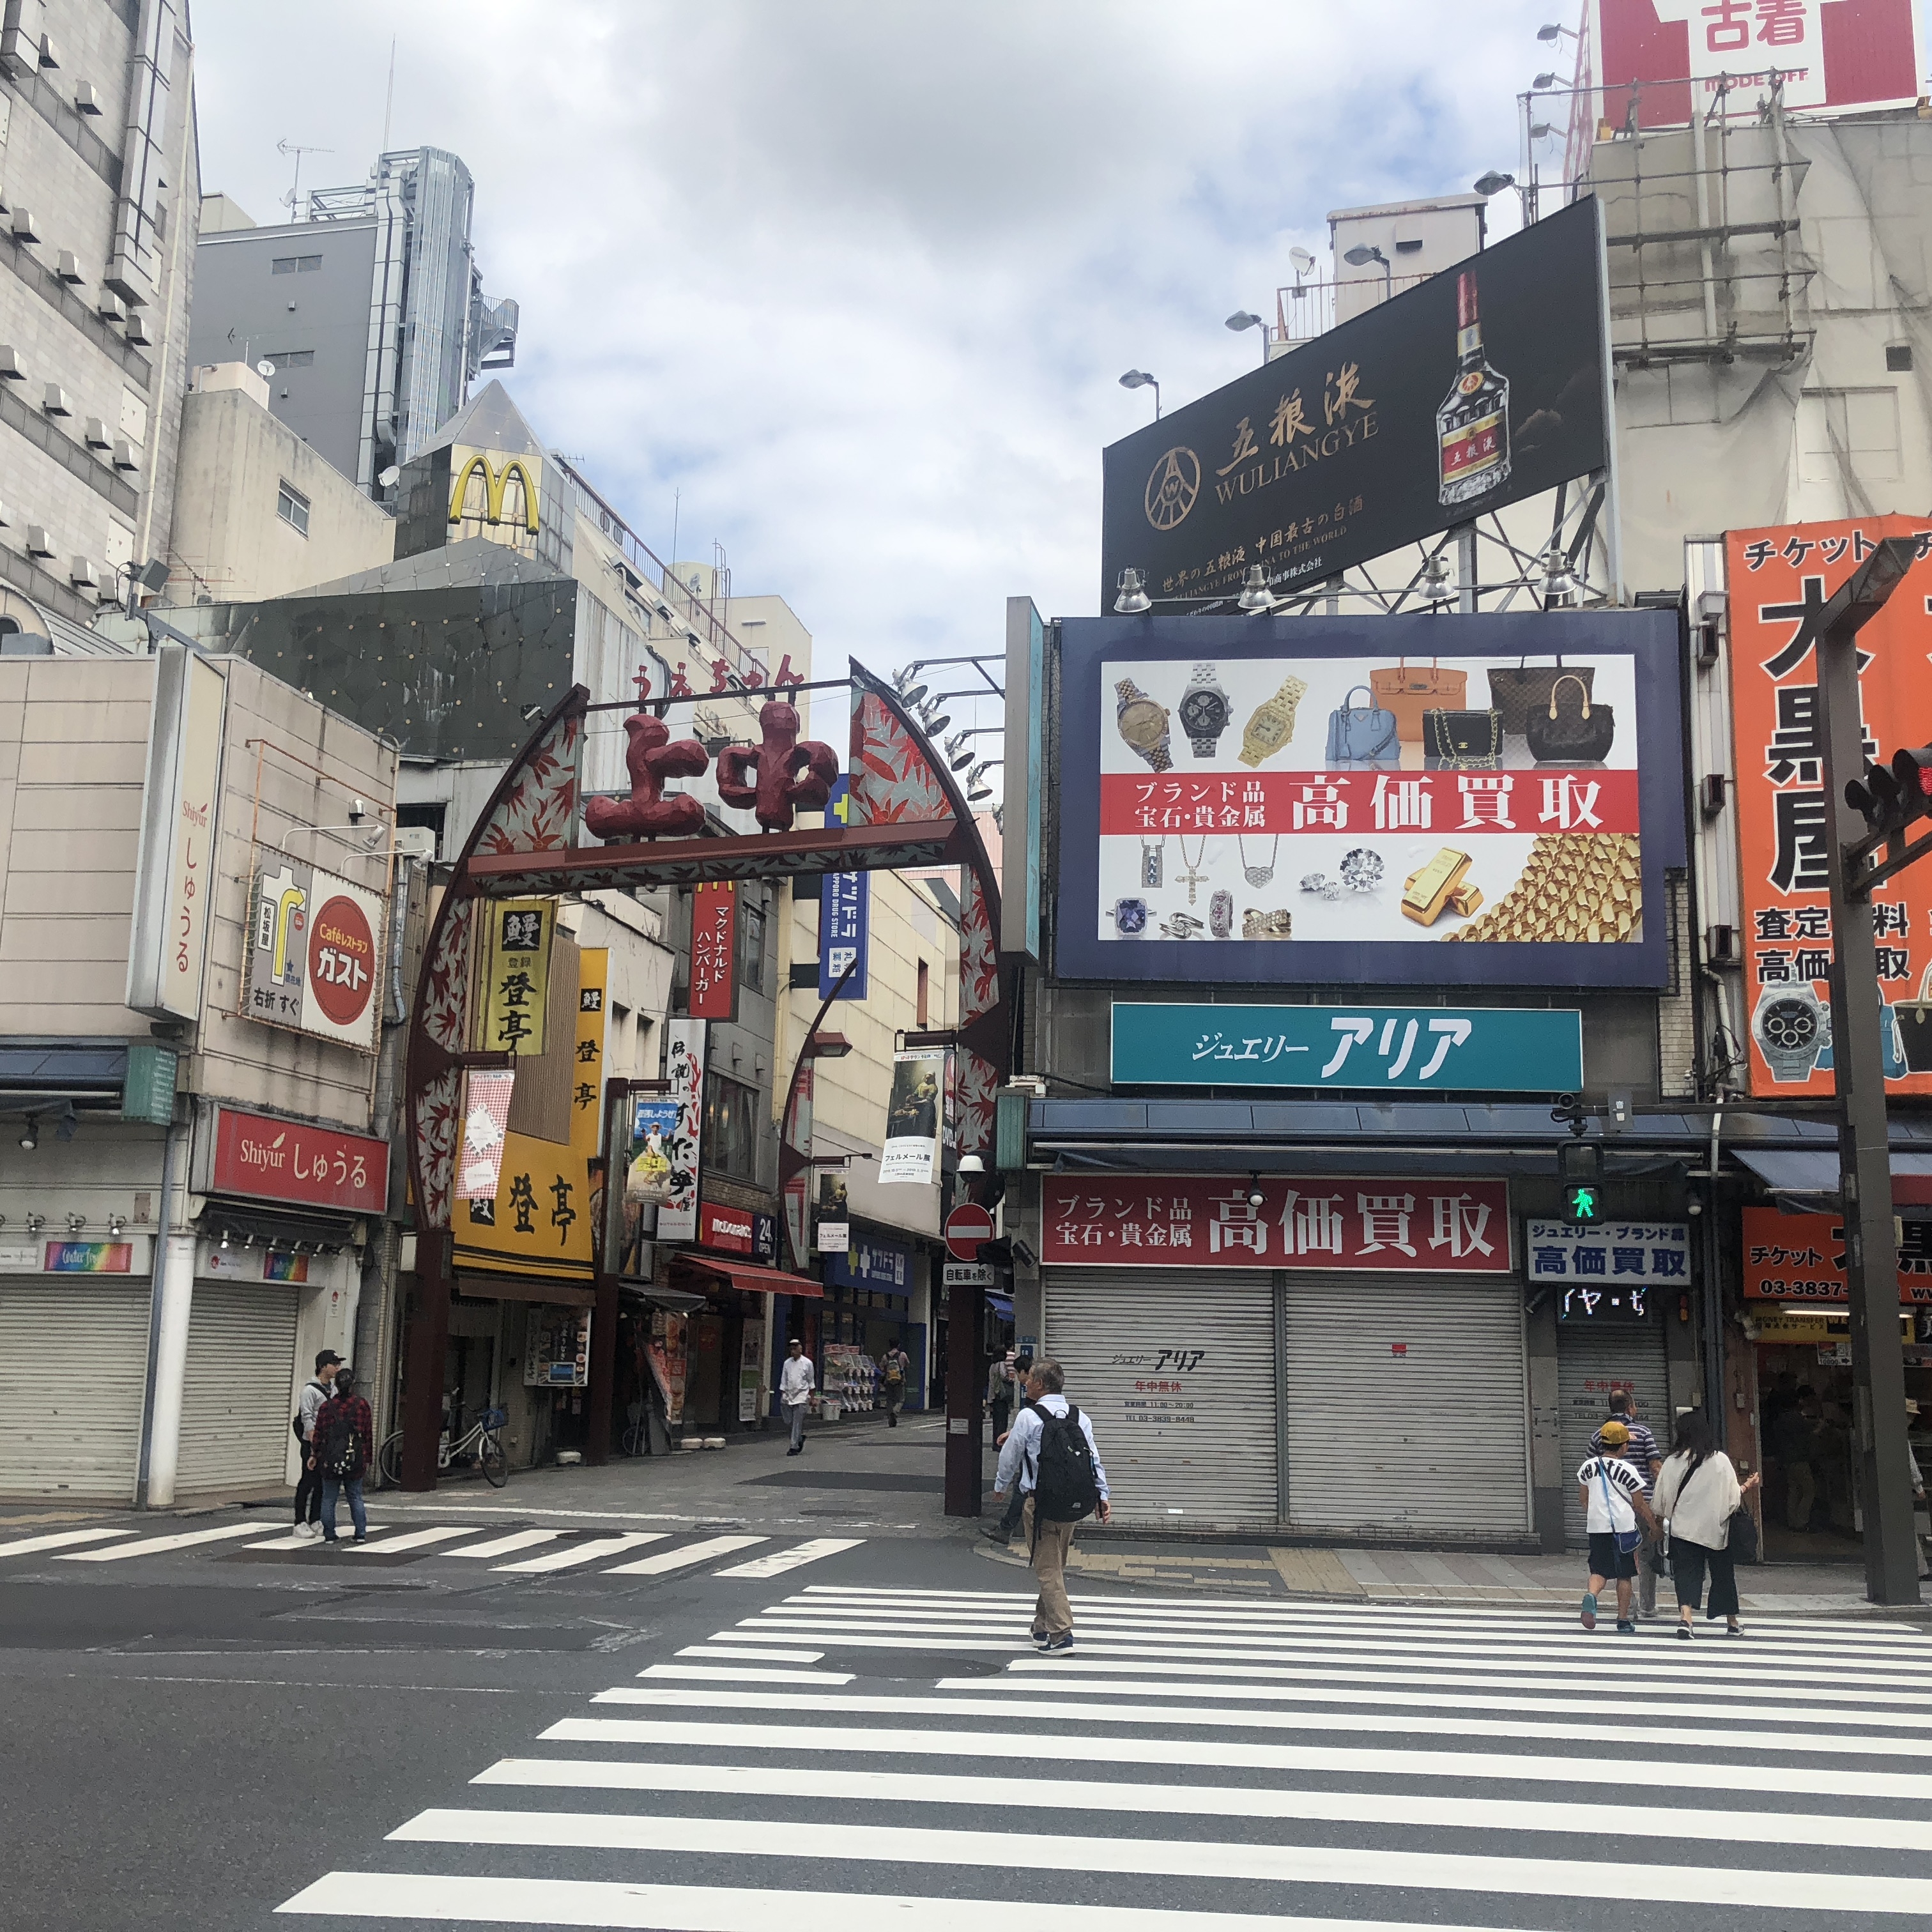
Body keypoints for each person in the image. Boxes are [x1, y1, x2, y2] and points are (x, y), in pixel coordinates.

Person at [992, 1358, 1110, 1652]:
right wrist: (1102, 1495)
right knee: (1054, 1566)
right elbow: (1092, 1459)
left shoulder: (1029, 1417)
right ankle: (1041, 1627)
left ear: (1040, 1384)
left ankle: (1061, 1633)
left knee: (1048, 1570)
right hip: (1072, 1502)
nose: (1026, 1381)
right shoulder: (1079, 1416)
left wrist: (1000, 1485)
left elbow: (1011, 1455)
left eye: (1030, 1377)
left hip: (1039, 1502)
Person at [1652, 1409, 1761, 1639]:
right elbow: (1732, 1500)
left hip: (1683, 1529)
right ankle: (1732, 1622)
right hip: (1715, 1530)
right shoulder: (1720, 1461)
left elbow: (1661, 1501)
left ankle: (1686, 1619)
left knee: (1686, 1574)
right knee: (1723, 1576)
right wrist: (1747, 1486)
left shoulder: (1672, 1462)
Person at [1577, 1419, 1657, 1633]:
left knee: (1599, 1569)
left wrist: (1595, 1515)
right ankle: (1622, 1620)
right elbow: (1639, 1504)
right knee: (1624, 1574)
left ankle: (1591, 1596)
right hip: (1624, 1528)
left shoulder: (1587, 1467)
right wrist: (1653, 1525)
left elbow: (1583, 1499)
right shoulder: (1628, 1469)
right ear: (1623, 1446)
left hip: (1597, 1528)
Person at [1590, 1389, 1662, 1618]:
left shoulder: (1598, 1436)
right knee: (1646, 1553)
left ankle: (1628, 1606)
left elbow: (1591, 1471)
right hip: (1642, 1503)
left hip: (1610, 1508)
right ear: (1631, 1407)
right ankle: (1648, 1606)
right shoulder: (1643, 1433)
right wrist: (1660, 1502)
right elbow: (1656, 1468)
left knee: (1620, 1555)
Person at [309, 1368, 373, 1547]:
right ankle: (360, 1533)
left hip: (331, 1460)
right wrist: (367, 1458)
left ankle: (330, 1535)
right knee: (355, 1496)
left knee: (329, 1498)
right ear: (353, 1384)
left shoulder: (326, 1407)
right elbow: (367, 1433)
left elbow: (319, 1435)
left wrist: (315, 1455)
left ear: (336, 1385)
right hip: (354, 1459)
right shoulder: (361, 1405)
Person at [291, 1350, 342, 1538]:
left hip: (327, 1443)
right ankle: (299, 1521)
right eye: (334, 1364)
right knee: (308, 1481)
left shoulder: (334, 1390)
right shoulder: (309, 1390)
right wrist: (314, 1446)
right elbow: (307, 1418)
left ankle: (315, 1519)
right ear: (323, 1366)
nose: (338, 1368)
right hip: (311, 1443)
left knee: (322, 1482)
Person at [1768, 1385, 1820, 1532]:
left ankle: (1793, 1522)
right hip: (1799, 1459)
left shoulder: (1779, 1419)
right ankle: (1802, 1522)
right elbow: (1807, 1436)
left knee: (1794, 1491)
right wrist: (1819, 1429)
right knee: (1809, 1490)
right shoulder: (1796, 1418)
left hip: (1786, 1459)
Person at [779, 1337, 816, 1455]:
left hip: (802, 1395)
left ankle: (794, 1446)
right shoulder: (787, 1363)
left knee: (797, 1421)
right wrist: (783, 1392)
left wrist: (812, 1397)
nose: (793, 1350)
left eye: (796, 1348)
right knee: (788, 1420)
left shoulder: (808, 1363)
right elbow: (784, 1379)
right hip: (788, 1394)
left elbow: (811, 1381)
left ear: (801, 1349)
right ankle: (799, 1437)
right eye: (792, 1348)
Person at [987, 1347, 1016, 1443]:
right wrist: (1012, 1380)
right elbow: (1004, 1376)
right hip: (1002, 1395)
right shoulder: (1002, 1364)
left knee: (996, 1420)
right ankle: (1001, 1441)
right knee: (1003, 1420)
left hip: (994, 1395)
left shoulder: (992, 1366)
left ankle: (995, 1441)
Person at [880, 1342, 910, 1427]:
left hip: (889, 1380)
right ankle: (895, 1412)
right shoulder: (902, 1354)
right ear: (898, 1345)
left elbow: (882, 1368)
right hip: (900, 1380)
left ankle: (890, 1415)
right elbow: (908, 1364)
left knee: (889, 1399)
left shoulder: (885, 1356)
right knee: (901, 1399)